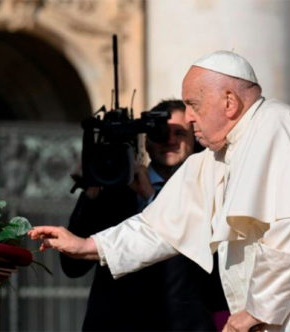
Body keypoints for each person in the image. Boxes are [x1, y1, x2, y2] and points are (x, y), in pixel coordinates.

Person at [29, 51, 290, 332]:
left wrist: (255, 311)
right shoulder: (216, 159)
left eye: (194, 104)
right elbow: (157, 228)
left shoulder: (279, 126)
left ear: (229, 102)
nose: (189, 117)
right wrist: (87, 246)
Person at [61, 99, 227, 331]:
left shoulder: (207, 192)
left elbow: (215, 277)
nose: (169, 140)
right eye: (159, 133)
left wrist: (152, 200)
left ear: (193, 140)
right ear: (146, 142)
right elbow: (71, 266)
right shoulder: (116, 191)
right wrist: (91, 190)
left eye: (179, 133)